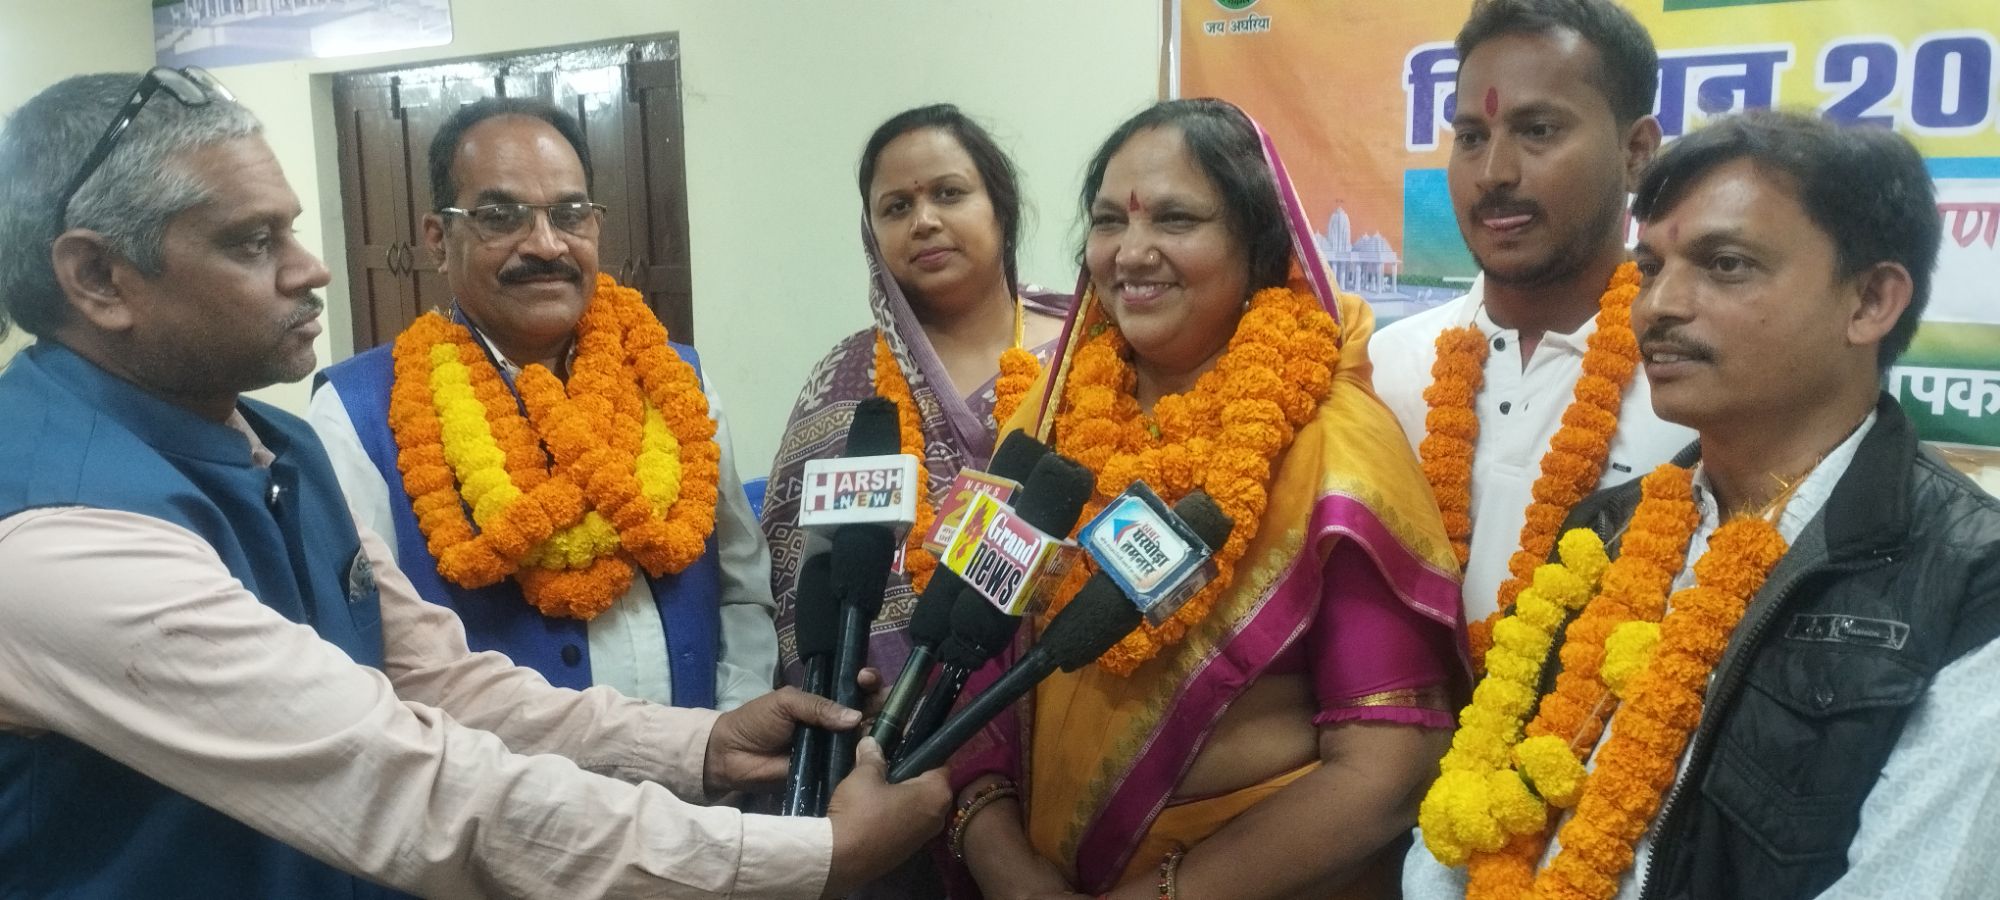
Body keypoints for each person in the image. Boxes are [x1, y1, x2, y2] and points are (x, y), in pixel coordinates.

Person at [0, 69, 948, 899]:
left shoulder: (268, 443)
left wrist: (699, 746)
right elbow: (402, 783)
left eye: (290, 229)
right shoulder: (59, 540)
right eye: (252, 242)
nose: (312, 267)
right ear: (97, 277)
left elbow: (437, 680)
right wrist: (809, 859)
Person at [1405, 109, 2000, 899]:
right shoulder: (1604, 534)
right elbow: (1469, 816)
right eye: (1650, 267)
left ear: (1869, 301)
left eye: (1725, 265)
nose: (1658, 305)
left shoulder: (1969, 582)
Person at [952, 99, 1468, 900]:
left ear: (1259, 245)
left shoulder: (1335, 451)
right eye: (1109, 221)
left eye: (1176, 218)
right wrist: (1010, 873)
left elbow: (1387, 770)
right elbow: (968, 659)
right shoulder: (1045, 423)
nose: (1132, 252)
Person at [312, 97, 778, 712]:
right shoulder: (355, 416)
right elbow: (360, 657)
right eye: (499, 216)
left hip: (705, 760)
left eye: (570, 214)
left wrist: (732, 721)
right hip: (491, 772)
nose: (546, 245)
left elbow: (741, 589)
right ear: (438, 240)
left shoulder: (678, 381)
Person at [1370, 0, 1693, 663]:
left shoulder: (1692, 385)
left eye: (1538, 130)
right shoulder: (1386, 367)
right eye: (1470, 136)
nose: (1494, 172)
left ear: (1636, 153)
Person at [764, 104, 1068, 690]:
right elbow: (795, 567)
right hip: (882, 720)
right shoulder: (843, 378)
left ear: (1000, 206)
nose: (924, 221)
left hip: (1065, 696)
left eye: (949, 193)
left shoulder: (1081, 355)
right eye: (897, 207)